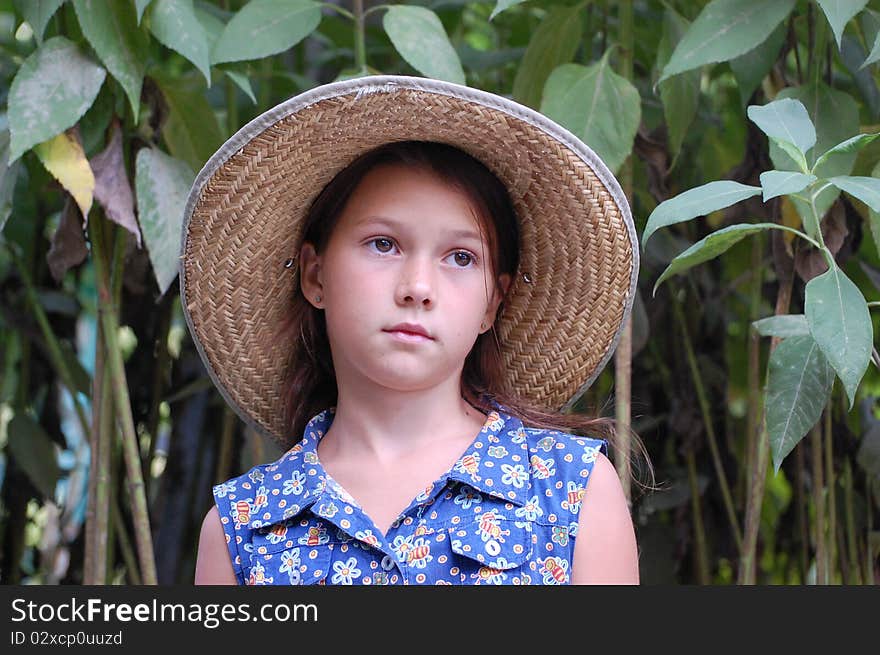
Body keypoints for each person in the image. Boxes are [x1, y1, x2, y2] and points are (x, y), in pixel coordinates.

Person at [182, 76, 645, 585]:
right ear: (315, 275)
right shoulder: (243, 529)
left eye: (462, 257)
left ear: (493, 301)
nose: (418, 287)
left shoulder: (572, 493)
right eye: (383, 244)